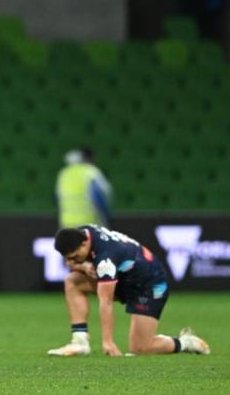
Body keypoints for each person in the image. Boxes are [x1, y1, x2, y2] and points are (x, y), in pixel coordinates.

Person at [48, 225, 210, 357]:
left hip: (149, 286)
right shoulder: (83, 233)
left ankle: (186, 343)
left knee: (141, 348)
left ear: (84, 244)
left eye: (75, 257)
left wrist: (108, 341)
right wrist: (83, 265)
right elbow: (72, 263)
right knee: (72, 281)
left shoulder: (106, 259)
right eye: (68, 258)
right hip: (125, 279)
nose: (71, 262)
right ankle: (80, 342)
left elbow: (106, 302)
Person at [55, 147, 111, 229]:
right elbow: (99, 199)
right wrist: (107, 217)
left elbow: (56, 198)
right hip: (90, 224)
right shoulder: (91, 172)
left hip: (67, 224)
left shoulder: (63, 174)